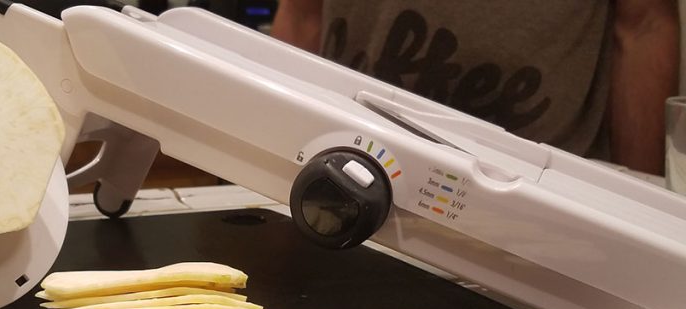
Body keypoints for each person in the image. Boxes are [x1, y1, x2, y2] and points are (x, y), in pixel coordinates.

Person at [271, 1, 680, 175]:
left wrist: (640, 208)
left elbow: (642, 24)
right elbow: (303, 13)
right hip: (343, 167)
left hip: (540, 200)